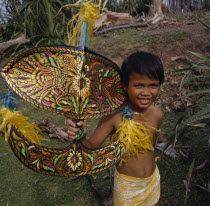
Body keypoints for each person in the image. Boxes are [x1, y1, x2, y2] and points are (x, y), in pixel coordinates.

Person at [67, 51, 164, 206]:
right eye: (138, 85)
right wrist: (81, 136)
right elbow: (91, 146)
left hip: (153, 179)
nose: (146, 92)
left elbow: (149, 147)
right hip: (128, 187)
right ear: (125, 85)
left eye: (153, 85)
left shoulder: (157, 114)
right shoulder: (114, 117)